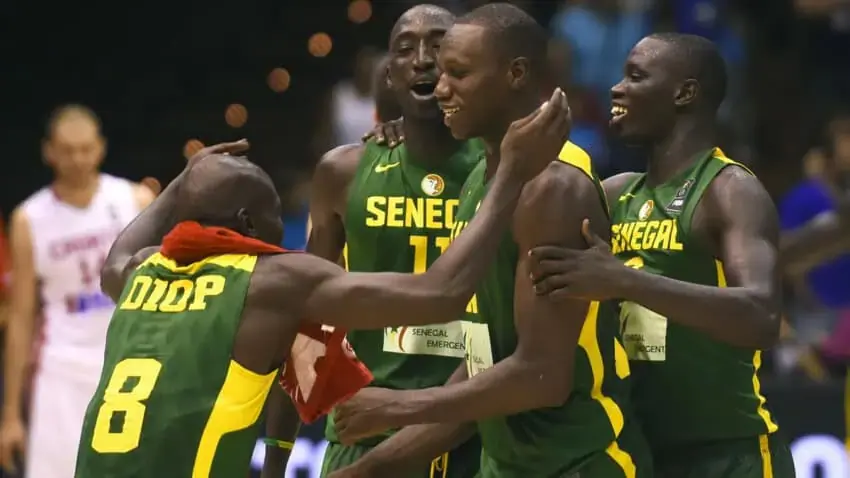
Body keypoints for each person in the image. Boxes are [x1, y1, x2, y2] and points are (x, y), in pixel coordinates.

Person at [72, 86, 570, 477]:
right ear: (248, 225)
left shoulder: (142, 272)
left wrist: (184, 181)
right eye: (275, 220)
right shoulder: (274, 279)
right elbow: (442, 292)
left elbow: (113, 258)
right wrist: (511, 175)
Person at [326, 4, 652, 478]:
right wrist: (368, 469)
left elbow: (543, 376)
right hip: (504, 461)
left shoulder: (552, 188)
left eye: (457, 73)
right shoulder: (484, 175)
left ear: (515, 74)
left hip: (579, 460)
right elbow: (486, 354)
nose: (440, 89)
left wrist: (404, 406)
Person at [527, 33, 796, 477]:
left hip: (728, 454)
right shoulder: (616, 193)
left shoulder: (729, 190)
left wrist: (626, 280)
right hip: (639, 453)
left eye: (635, 76)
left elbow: (762, 315)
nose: (617, 88)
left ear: (684, 93)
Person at [264, 6, 487, 478]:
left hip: (477, 435)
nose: (424, 59)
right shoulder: (343, 172)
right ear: (389, 74)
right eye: (406, 49)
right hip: (363, 430)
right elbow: (309, 326)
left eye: (440, 46)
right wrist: (276, 457)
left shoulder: (507, 167)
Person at [0, 105, 155, 478]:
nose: (77, 158)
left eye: (85, 148)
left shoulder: (135, 200)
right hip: (59, 371)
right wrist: (10, 417)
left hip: (127, 363)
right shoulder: (29, 218)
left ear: (100, 148)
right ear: (49, 151)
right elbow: (22, 318)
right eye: (67, 150)